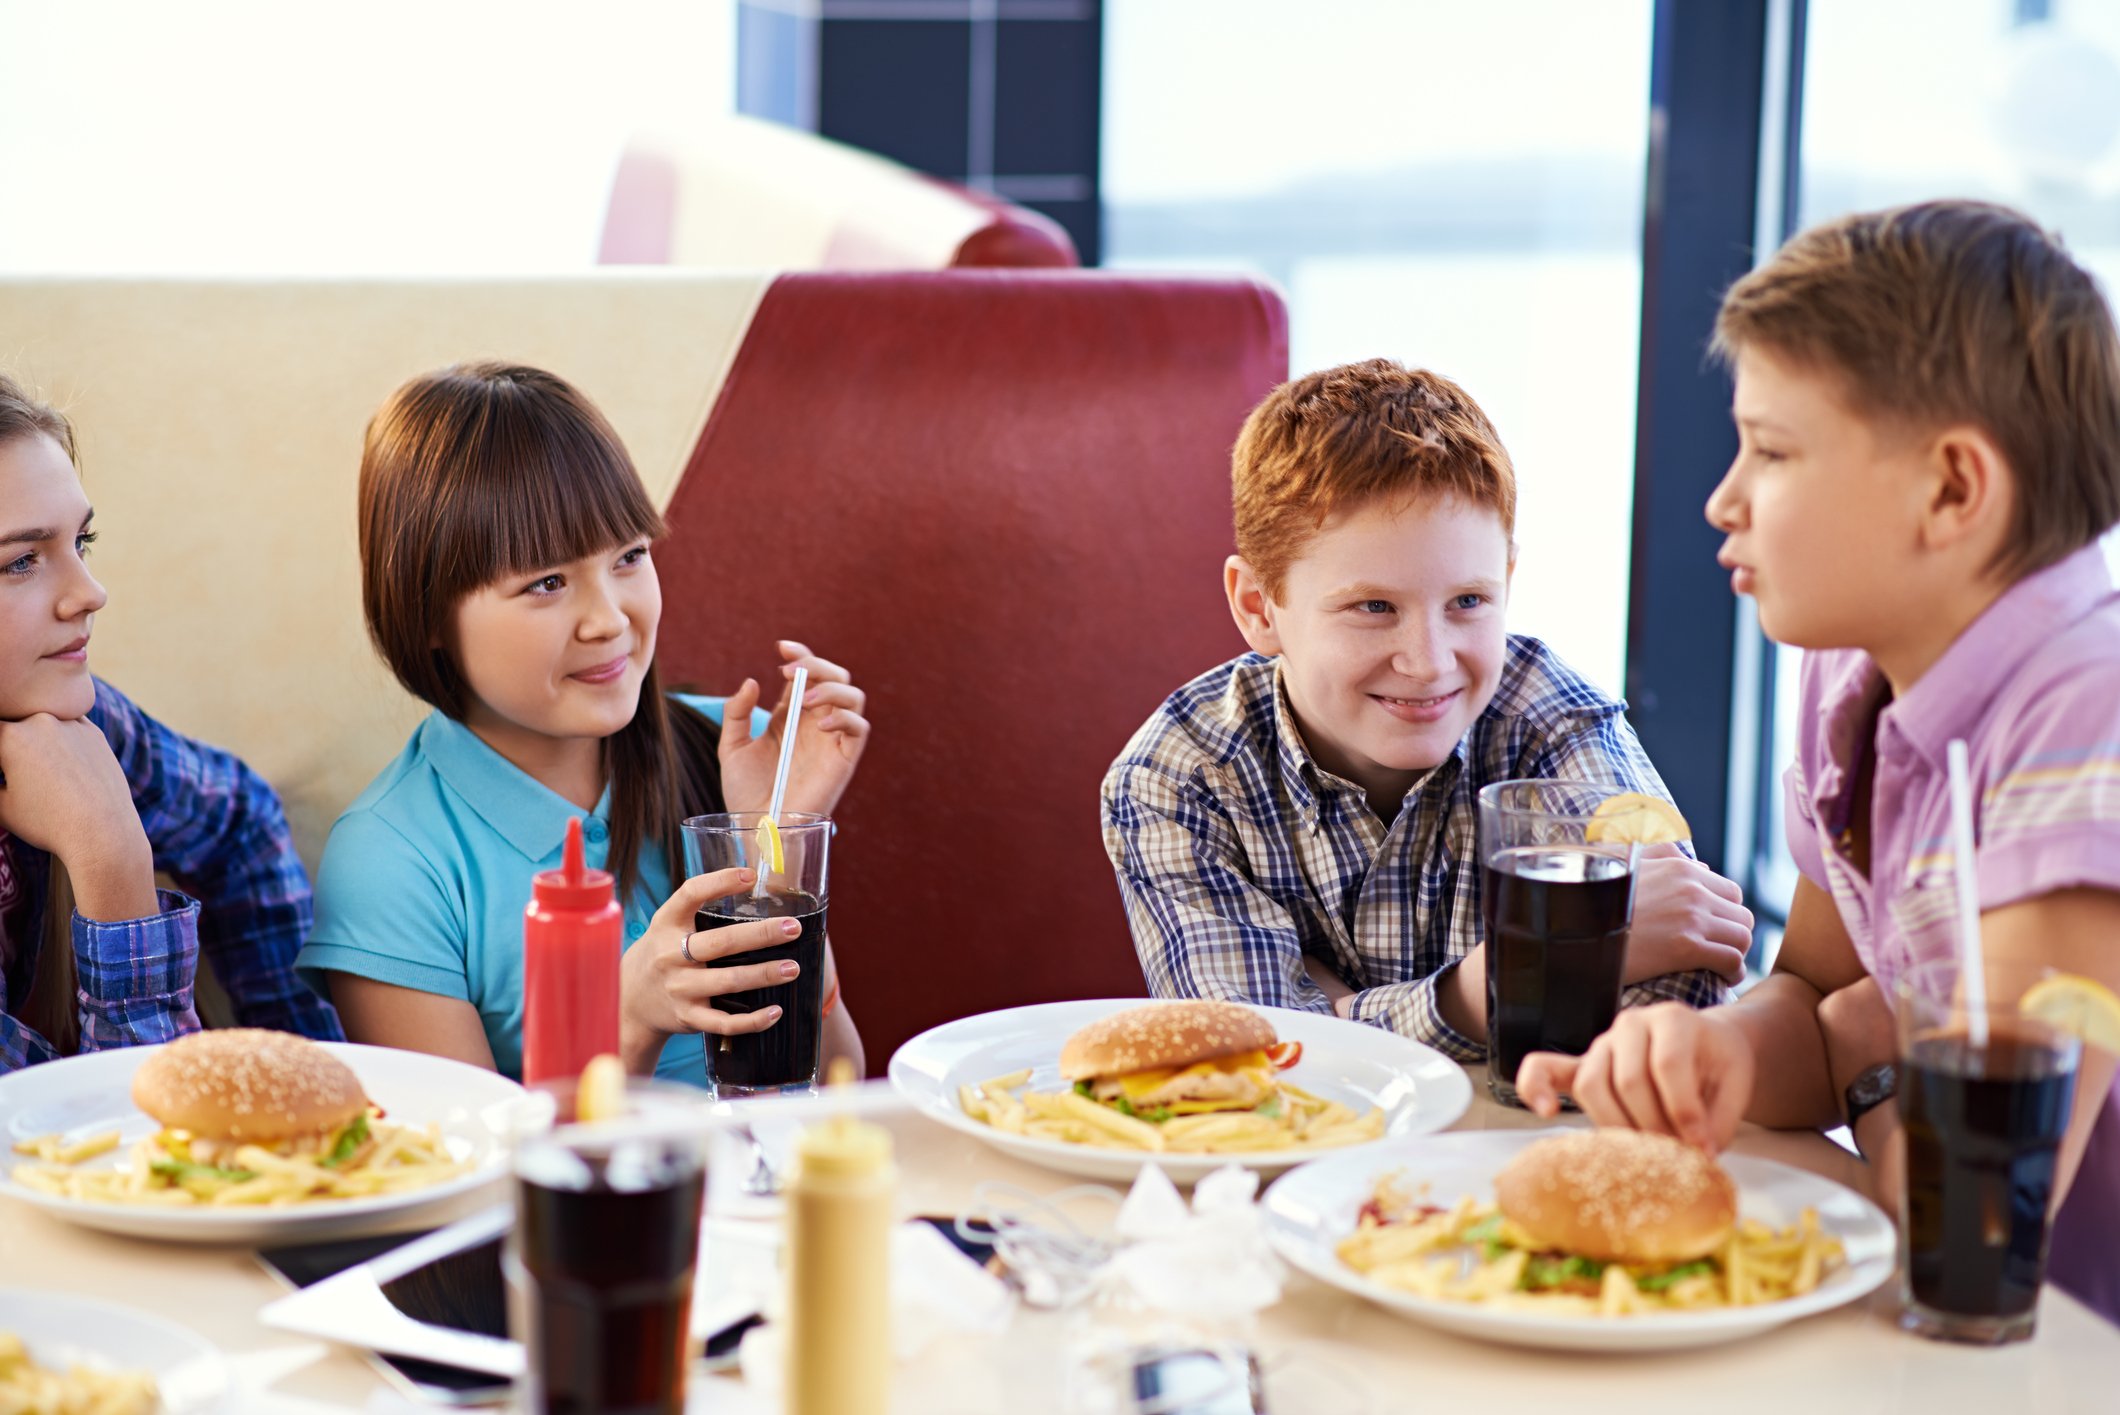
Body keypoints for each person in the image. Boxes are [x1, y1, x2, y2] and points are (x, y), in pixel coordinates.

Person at [1516, 200, 2120, 1323]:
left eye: (1773, 450)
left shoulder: (2086, 714)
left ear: (1950, 489)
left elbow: (1980, 1220)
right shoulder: (1849, 665)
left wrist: (1862, 1057)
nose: (1722, 498)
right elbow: (1813, 989)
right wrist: (1708, 1049)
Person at [1100, 359, 1751, 1060]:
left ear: (1506, 579)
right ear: (1260, 607)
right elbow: (1257, 1056)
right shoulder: (1178, 777)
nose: (1430, 660)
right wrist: (1492, 984)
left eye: (1468, 602)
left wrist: (1337, 1013)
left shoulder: (1551, 723)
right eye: (1373, 607)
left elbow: (1683, 1000)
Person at [297, 362, 868, 1082]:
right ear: (429, 611)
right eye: (546, 582)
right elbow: (465, 1172)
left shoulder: (728, 748)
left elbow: (836, 1079)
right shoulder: (390, 860)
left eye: (629, 556)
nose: (609, 619)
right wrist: (630, 1020)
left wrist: (773, 851)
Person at [0, 374, 341, 1068]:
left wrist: (300, 1063)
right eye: (22, 561)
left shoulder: (76, 728)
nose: (90, 594)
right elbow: (117, 1153)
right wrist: (111, 859)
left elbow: (239, 819)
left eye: (81, 543)